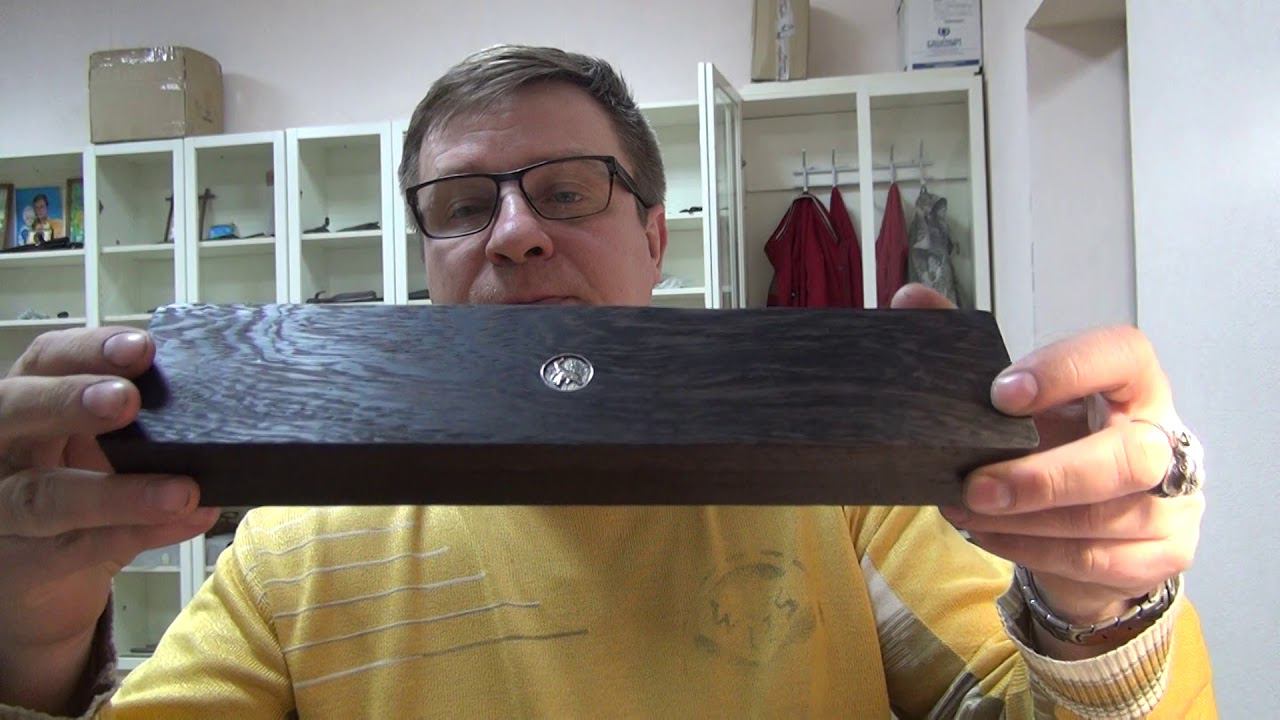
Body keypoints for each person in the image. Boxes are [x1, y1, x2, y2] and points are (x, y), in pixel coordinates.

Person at [0, 46, 1214, 718]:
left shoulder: (849, 490)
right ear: (427, 259)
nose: (513, 235)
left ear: (653, 235)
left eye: (565, 192)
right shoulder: (289, 550)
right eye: (461, 207)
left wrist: (1095, 610)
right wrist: (29, 640)